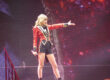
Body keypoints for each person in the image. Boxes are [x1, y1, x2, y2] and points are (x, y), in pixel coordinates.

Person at [31, 14, 75, 80]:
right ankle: (40, 78)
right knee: (41, 65)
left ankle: (59, 78)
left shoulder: (47, 27)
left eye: (46, 20)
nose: (46, 21)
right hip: (42, 47)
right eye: (45, 20)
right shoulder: (36, 28)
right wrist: (34, 50)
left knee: (55, 65)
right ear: (41, 20)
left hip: (48, 47)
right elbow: (35, 39)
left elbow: (57, 26)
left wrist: (67, 24)